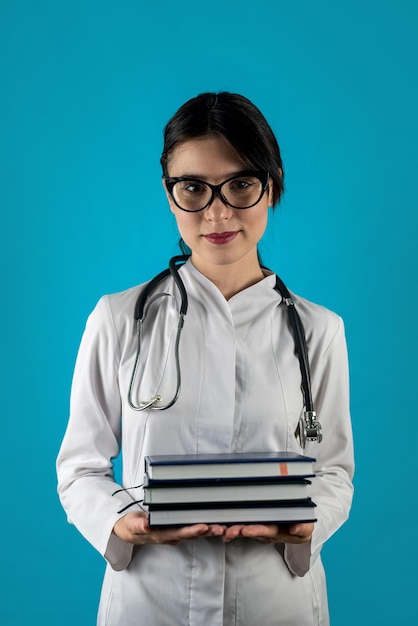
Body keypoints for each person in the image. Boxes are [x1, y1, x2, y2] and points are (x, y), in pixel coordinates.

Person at [56, 92, 354, 626]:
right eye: (193, 187)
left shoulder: (319, 331)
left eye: (240, 184)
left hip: (276, 602)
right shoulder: (120, 319)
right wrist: (122, 521)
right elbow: (79, 468)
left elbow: (333, 474)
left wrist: (309, 524)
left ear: (273, 185)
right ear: (170, 196)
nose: (217, 212)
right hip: (151, 601)